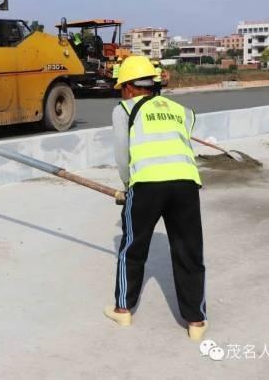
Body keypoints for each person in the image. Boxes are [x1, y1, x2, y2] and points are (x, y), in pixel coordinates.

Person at [105, 56, 207, 341]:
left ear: (127, 87)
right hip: (186, 184)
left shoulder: (124, 110)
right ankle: (196, 322)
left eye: (120, 88)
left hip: (147, 185)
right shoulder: (181, 110)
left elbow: (122, 155)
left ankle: (123, 309)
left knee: (132, 249)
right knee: (189, 251)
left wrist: (128, 184)